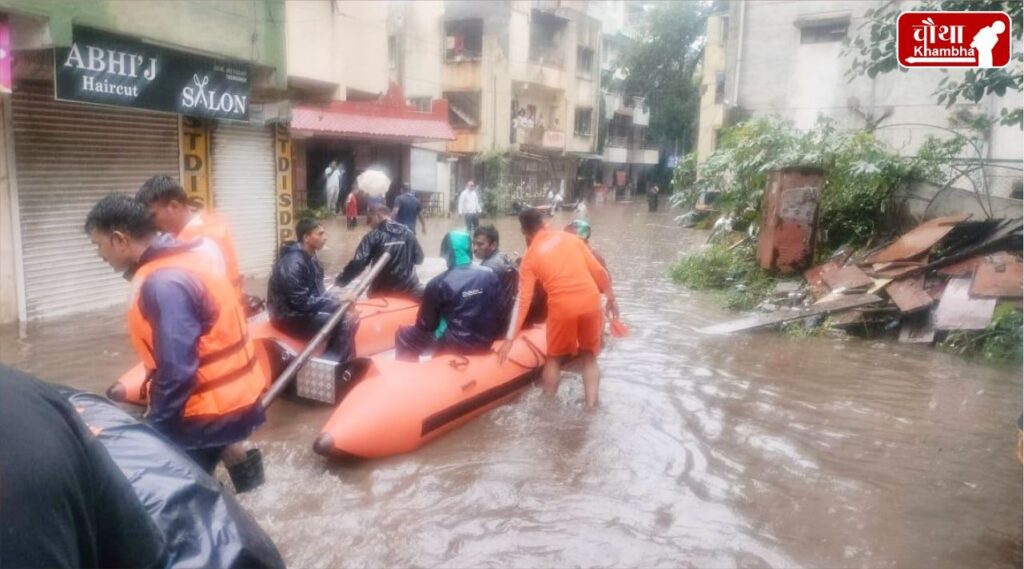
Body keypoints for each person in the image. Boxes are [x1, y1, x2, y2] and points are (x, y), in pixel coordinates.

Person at [84, 194, 265, 474]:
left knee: (181, 483)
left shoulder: (163, 282)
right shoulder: (188, 256)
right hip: (237, 397)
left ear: (120, 239)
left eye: (98, 245)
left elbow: (177, 370)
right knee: (224, 446)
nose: (99, 255)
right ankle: (253, 493)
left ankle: (223, 510)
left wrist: (158, 431)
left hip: (209, 411)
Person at [0, 363, 167, 569]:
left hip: (203, 410)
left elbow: (178, 368)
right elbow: (143, 553)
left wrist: (162, 422)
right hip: (210, 411)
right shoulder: (39, 399)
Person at [499, 208, 619, 408]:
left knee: (553, 358)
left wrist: (510, 339)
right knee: (589, 357)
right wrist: (611, 298)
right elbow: (599, 271)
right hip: (590, 302)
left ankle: (548, 407)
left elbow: (523, 300)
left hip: (562, 307)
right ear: (545, 223)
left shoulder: (529, 257)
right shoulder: (572, 239)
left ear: (523, 233)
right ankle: (591, 407)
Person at [395, 230, 502, 361]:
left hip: (455, 344)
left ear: (446, 253)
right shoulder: (490, 274)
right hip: (486, 341)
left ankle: (411, 374)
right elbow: (498, 310)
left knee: (404, 335)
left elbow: (426, 325)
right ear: (469, 249)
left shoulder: (438, 283)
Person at [268, 218, 360, 363]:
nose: (325, 237)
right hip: (286, 317)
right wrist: (337, 300)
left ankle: (345, 359)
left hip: (300, 311)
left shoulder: (311, 258)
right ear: (306, 238)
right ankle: (330, 364)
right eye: (320, 234)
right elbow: (302, 302)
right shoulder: (293, 264)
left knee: (347, 313)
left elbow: (319, 293)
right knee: (345, 321)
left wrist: (339, 303)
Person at [136, 175, 241, 298]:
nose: (152, 223)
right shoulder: (193, 229)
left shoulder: (202, 243)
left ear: (173, 206)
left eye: (153, 216)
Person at [337, 204, 424, 299]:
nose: (369, 224)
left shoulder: (373, 236)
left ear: (378, 216)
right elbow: (419, 259)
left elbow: (359, 263)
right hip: (409, 290)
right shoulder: (409, 233)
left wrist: (341, 281)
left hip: (381, 291)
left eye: (369, 219)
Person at [473, 225, 518, 332]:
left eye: (480, 244)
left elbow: (480, 301)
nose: (474, 248)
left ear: (493, 245)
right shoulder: (504, 256)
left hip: (499, 323)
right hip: (510, 313)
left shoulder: (487, 269)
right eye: (473, 243)